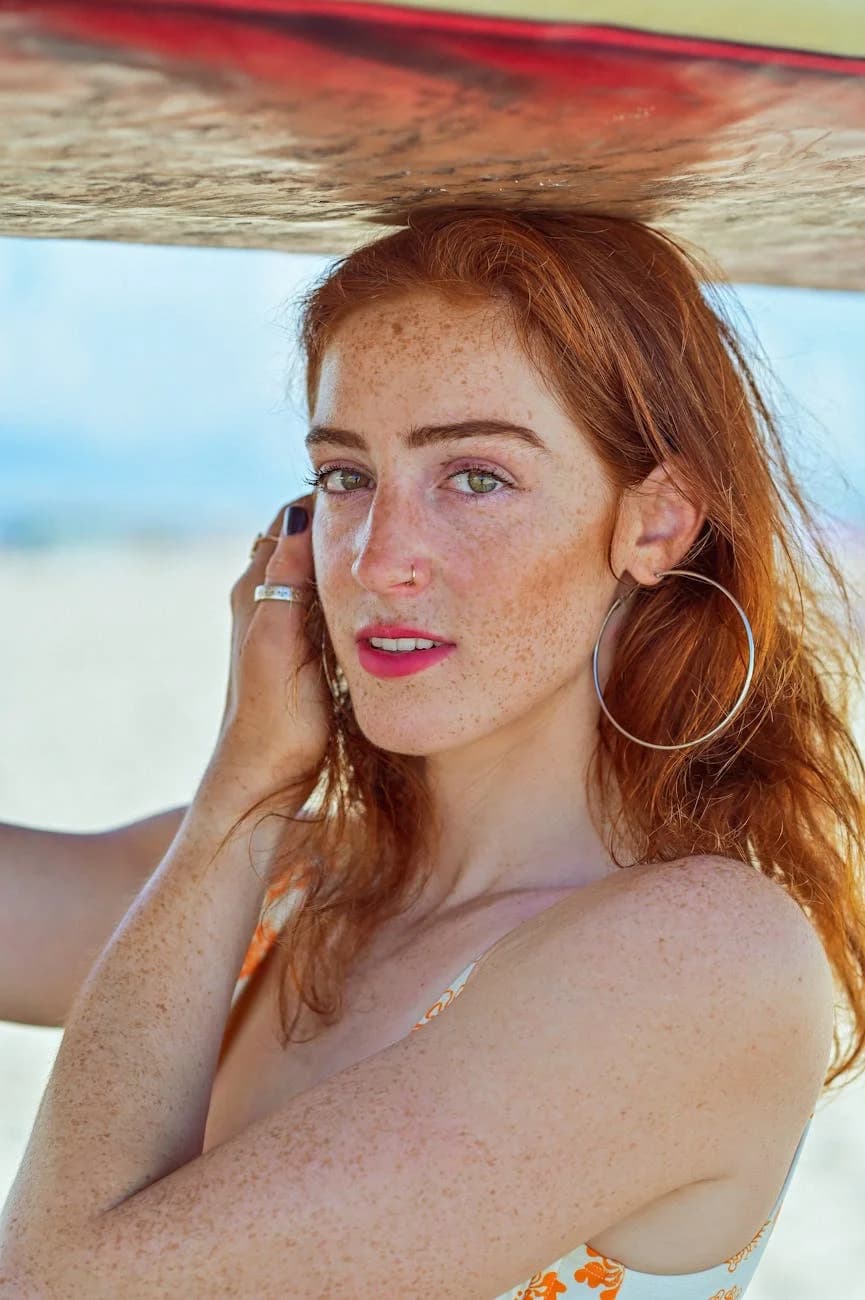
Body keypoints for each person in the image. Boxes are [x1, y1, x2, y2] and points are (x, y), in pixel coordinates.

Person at [2, 208, 862, 1298]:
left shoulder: (702, 957)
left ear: (655, 524)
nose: (377, 559)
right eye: (346, 476)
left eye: (475, 478)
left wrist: (243, 787)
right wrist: (241, 826)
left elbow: (57, 1284)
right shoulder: (288, 887)